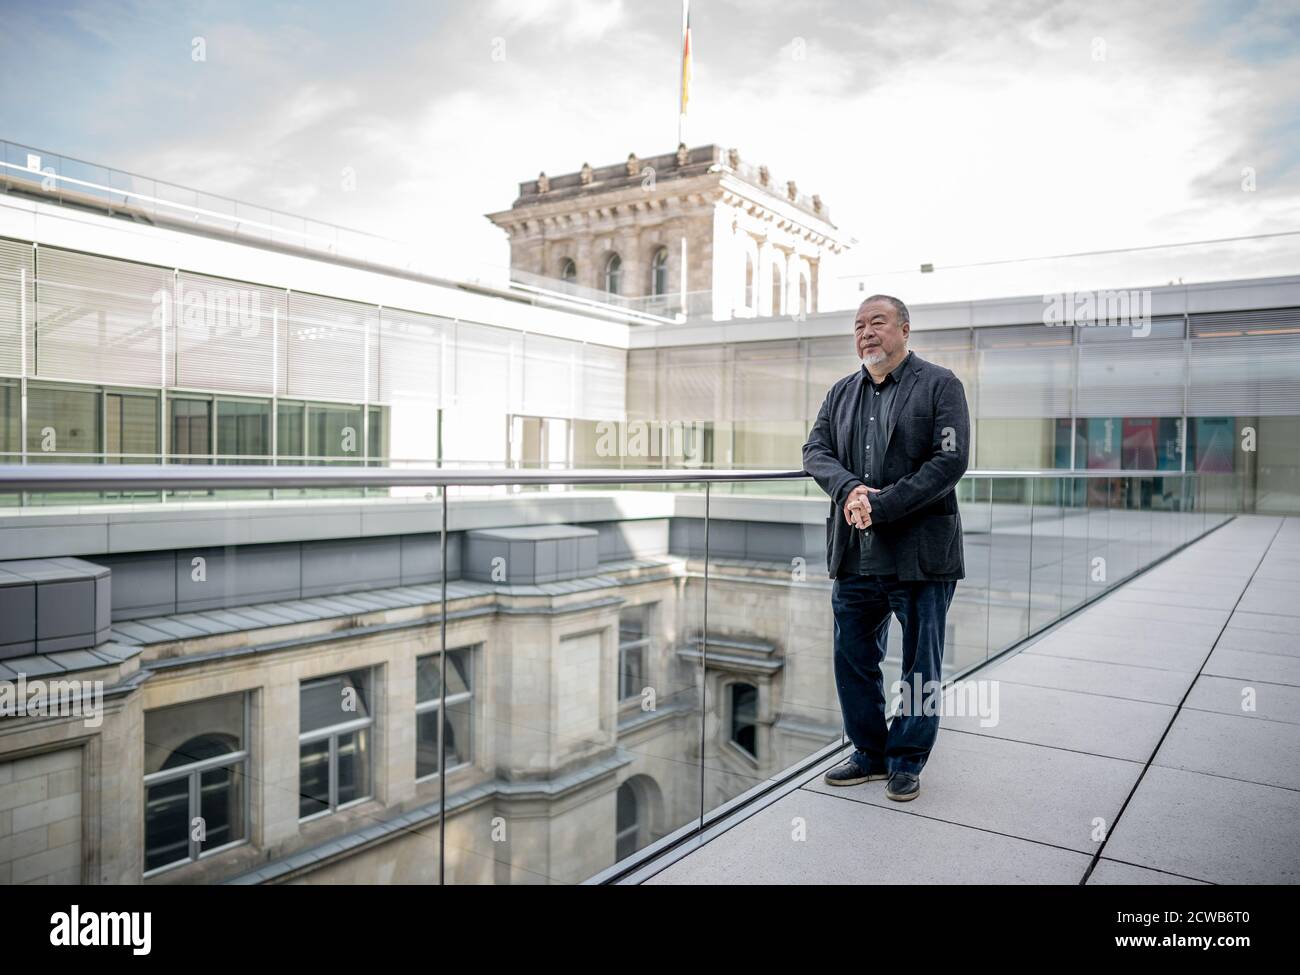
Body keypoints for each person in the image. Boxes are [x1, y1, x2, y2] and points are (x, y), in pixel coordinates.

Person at [801, 294, 970, 801]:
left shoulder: (940, 385)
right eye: (858, 326)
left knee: (921, 664)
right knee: (853, 658)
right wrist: (850, 489)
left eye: (877, 322)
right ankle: (870, 753)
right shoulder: (840, 393)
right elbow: (815, 451)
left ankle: (906, 759)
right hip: (855, 554)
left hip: (919, 554)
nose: (866, 333)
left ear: (905, 329)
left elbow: (949, 461)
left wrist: (882, 505)